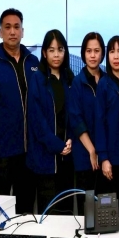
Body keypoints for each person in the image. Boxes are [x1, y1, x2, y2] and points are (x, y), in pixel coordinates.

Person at [0, 8, 39, 214]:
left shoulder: (33, 63)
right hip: (1, 156)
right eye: (8, 27)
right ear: (0, 32)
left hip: (29, 154)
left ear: (22, 31)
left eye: (16, 27)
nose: (12, 31)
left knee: (25, 212)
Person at [26, 30, 74, 215]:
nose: (56, 54)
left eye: (60, 49)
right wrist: (58, 146)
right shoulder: (37, 80)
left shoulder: (69, 79)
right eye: (51, 50)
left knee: (67, 214)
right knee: (48, 214)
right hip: (45, 159)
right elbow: (37, 122)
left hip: (67, 158)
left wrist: (70, 140)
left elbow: (75, 115)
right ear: (44, 53)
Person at [95, 35, 119, 216]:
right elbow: (99, 123)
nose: (116, 56)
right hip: (111, 161)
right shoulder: (104, 84)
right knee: (111, 215)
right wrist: (104, 158)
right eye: (111, 52)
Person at [68, 32, 104, 214]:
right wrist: (91, 150)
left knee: (105, 207)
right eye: (89, 51)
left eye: (96, 51)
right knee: (88, 210)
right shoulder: (77, 82)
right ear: (83, 53)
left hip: (105, 155)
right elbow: (76, 119)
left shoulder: (107, 81)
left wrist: (101, 152)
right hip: (84, 155)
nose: (92, 55)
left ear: (102, 53)